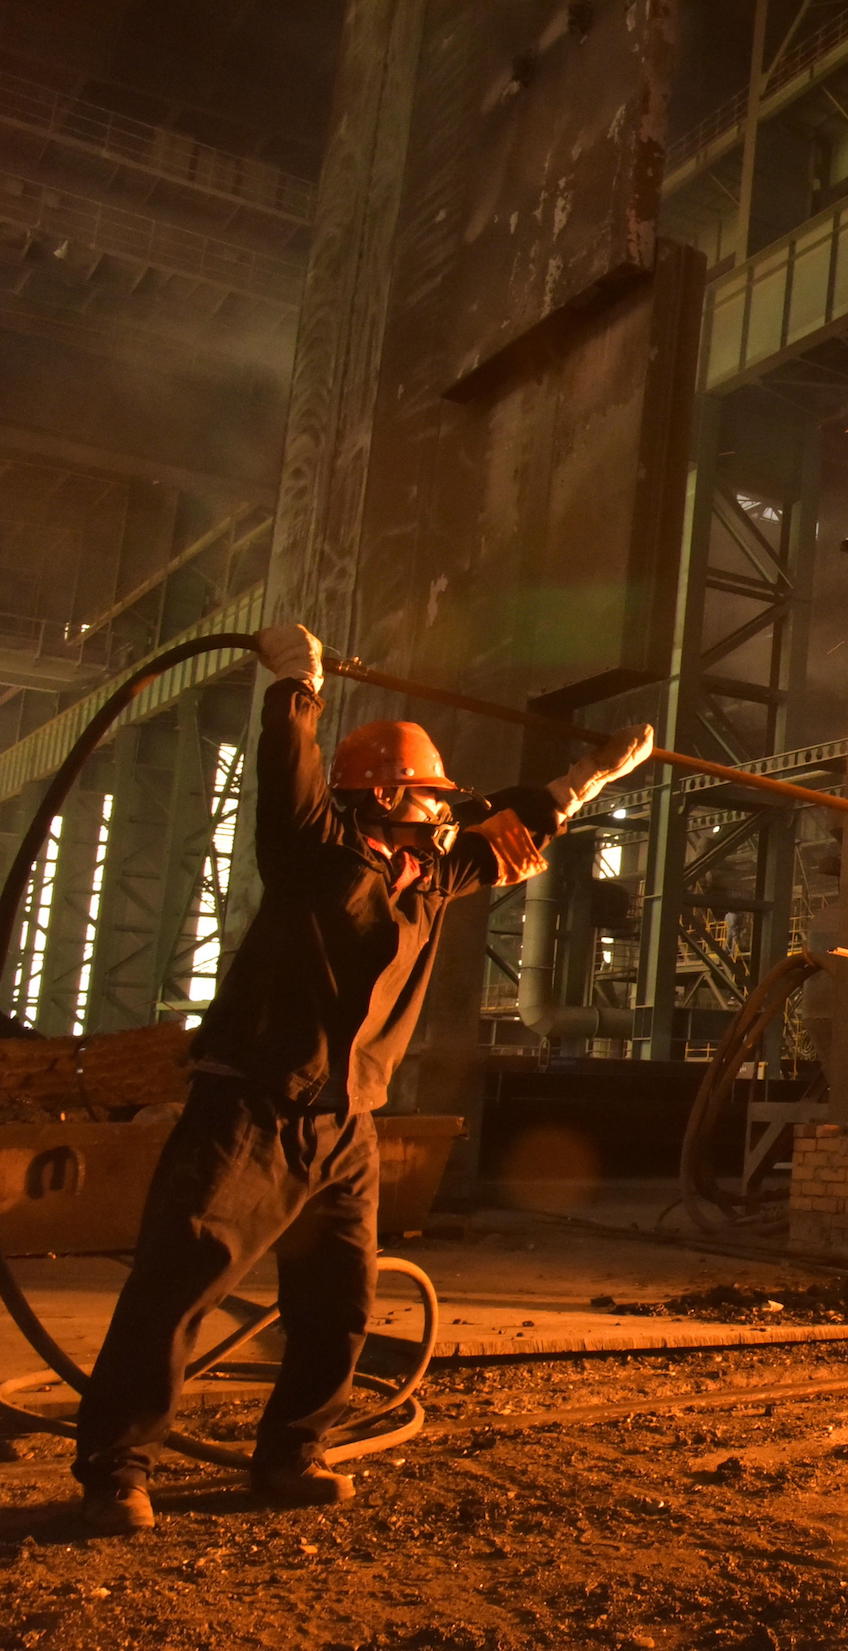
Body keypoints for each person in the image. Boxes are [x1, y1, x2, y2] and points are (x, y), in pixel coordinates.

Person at [71, 624, 652, 1535]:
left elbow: (503, 820)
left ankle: (292, 1452)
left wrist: (593, 776)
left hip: (347, 1124)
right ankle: (116, 1470)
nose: (443, 809)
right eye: (428, 795)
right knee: (179, 1287)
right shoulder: (311, 850)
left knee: (337, 1298)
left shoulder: (426, 875)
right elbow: (290, 776)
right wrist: (295, 683)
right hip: (251, 1109)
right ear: (387, 795)